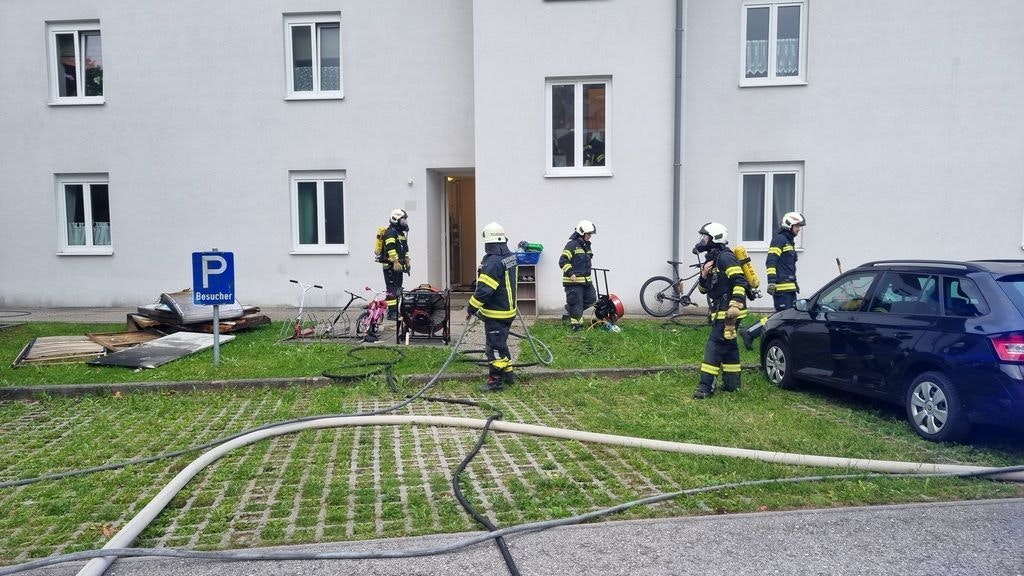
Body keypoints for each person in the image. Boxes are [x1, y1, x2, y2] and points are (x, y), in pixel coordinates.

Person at [693, 222, 749, 399]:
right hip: (720, 310)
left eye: (706, 236)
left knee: (714, 346)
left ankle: (705, 387)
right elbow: (703, 290)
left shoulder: (725, 257)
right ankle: (732, 384)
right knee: (729, 345)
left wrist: (735, 305)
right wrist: (703, 275)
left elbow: (740, 281)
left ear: (714, 238)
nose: (703, 240)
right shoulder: (712, 259)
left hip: (729, 311)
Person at [466, 222, 518, 392]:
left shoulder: (493, 262)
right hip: (508, 310)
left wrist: (471, 307)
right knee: (501, 343)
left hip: (496, 313)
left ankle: (495, 381)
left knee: (494, 347)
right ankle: (509, 374)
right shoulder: (509, 257)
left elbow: (484, 291)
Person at [742, 212, 805, 350]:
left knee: (786, 316)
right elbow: (771, 262)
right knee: (780, 317)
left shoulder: (788, 241)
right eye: (797, 226)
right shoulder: (779, 240)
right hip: (781, 288)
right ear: (789, 225)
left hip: (789, 288)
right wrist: (772, 282)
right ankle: (750, 332)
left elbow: (787, 266)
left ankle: (784, 342)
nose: (799, 229)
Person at [559, 220, 597, 332]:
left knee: (591, 299)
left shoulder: (587, 246)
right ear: (582, 233)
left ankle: (569, 309)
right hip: (573, 282)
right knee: (576, 303)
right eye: (589, 234)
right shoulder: (571, 245)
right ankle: (577, 327)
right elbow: (563, 261)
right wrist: (571, 273)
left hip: (586, 281)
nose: (590, 236)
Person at [381, 208, 410, 320]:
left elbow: (405, 248)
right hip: (390, 266)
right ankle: (391, 313)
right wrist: (395, 262)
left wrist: (407, 260)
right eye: (402, 220)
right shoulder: (390, 233)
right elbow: (390, 249)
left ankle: (398, 310)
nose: (404, 223)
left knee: (398, 288)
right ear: (395, 219)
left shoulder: (400, 234)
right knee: (392, 289)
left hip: (399, 267)